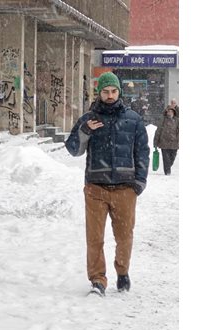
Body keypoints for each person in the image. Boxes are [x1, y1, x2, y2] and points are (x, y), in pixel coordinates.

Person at [65, 72, 150, 296]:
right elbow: (74, 149)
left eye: (113, 91)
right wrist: (85, 131)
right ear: (99, 93)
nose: (110, 95)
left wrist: (139, 182)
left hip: (125, 188)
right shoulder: (89, 119)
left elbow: (142, 152)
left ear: (119, 92)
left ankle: (122, 272)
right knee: (94, 238)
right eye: (105, 92)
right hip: (96, 188)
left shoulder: (133, 119)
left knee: (124, 236)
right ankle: (98, 280)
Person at [154, 106, 179, 175]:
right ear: (166, 112)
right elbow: (158, 131)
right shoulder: (163, 120)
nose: (170, 113)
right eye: (169, 111)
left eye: (171, 111)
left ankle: (168, 167)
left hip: (174, 143)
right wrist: (155, 141)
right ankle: (167, 172)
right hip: (164, 142)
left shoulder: (177, 120)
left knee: (172, 159)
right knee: (166, 159)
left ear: (174, 112)